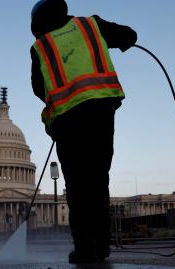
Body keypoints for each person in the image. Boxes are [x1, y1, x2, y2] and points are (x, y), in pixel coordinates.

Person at [30, 0, 137, 264]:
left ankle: (85, 246)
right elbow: (128, 35)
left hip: (67, 119)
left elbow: (38, 87)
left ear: (38, 23)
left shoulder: (40, 46)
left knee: (77, 185)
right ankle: (101, 245)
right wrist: (122, 43)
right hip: (101, 109)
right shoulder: (90, 25)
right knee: (99, 179)